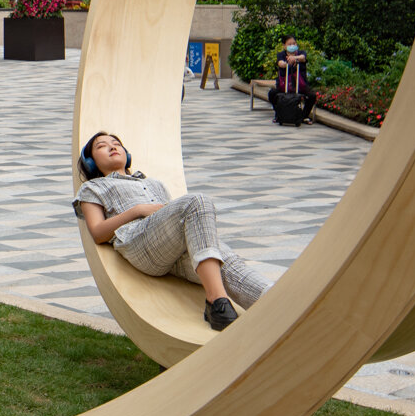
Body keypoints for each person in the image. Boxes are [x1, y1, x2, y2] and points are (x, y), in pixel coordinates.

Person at [74, 131, 270, 332]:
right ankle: (217, 301)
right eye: (102, 146)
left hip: (174, 246)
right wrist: (137, 211)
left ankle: (282, 304)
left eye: (116, 143)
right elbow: (97, 233)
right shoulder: (93, 187)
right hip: (139, 243)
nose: (113, 147)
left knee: (230, 265)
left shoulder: (153, 183)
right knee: (197, 202)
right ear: (90, 162)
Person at [269, 36, 313, 125]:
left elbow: (303, 57)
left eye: (294, 43)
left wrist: (295, 58)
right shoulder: (281, 55)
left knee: (312, 95)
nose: (292, 45)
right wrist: (286, 63)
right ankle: (279, 114)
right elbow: (280, 63)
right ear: (284, 46)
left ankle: (303, 116)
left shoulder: (301, 53)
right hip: (284, 85)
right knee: (272, 93)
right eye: (289, 44)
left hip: (300, 84)